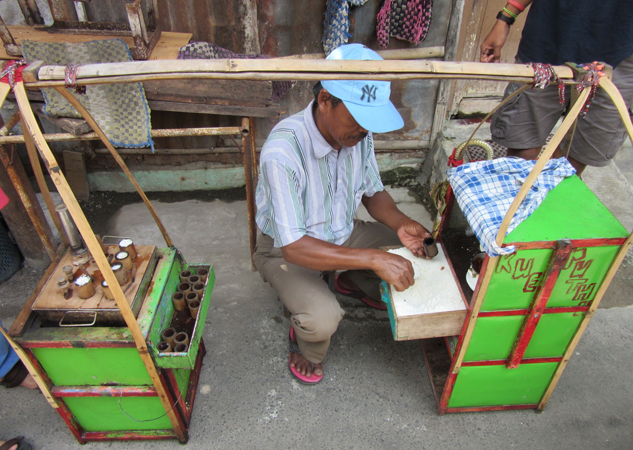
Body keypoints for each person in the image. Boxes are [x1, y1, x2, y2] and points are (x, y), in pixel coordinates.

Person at [253, 43, 432, 384]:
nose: (365, 130)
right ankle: (306, 345)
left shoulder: (357, 136)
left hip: (342, 233)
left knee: (413, 253)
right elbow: (293, 246)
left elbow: (372, 191)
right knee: (322, 319)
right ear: (324, 101)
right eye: (359, 119)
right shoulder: (283, 151)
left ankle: (351, 280)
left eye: (370, 123)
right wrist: (372, 258)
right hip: (286, 249)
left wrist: (401, 223)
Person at [480, 0, 633, 176]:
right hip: (548, 40)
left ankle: (550, 191)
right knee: (521, 148)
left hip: (620, 52)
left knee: (574, 160)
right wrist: (505, 18)